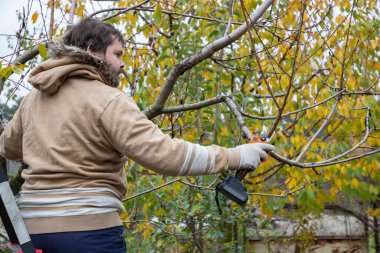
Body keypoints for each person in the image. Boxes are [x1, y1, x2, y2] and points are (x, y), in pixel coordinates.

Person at [0, 18, 275, 253]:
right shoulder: (108, 100)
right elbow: (164, 154)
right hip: (88, 232)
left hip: (31, 233)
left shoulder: (32, 101)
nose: (122, 65)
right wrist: (234, 156)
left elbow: (8, 148)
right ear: (92, 51)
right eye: (117, 54)